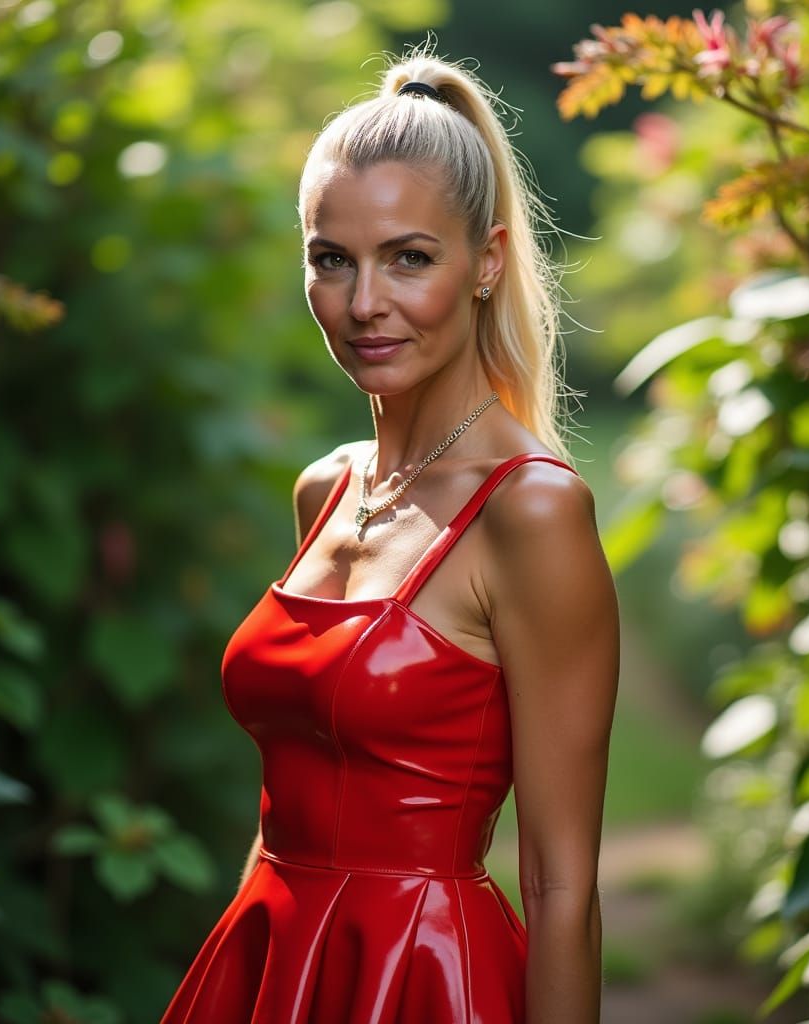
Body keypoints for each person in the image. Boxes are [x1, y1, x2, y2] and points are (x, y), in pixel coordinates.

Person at [160, 42, 620, 1024]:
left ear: (486, 261)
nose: (364, 303)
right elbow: (287, 807)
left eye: (409, 258)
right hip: (271, 963)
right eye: (332, 260)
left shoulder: (530, 511)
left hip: (425, 978)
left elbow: (561, 885)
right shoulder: (325, 488)